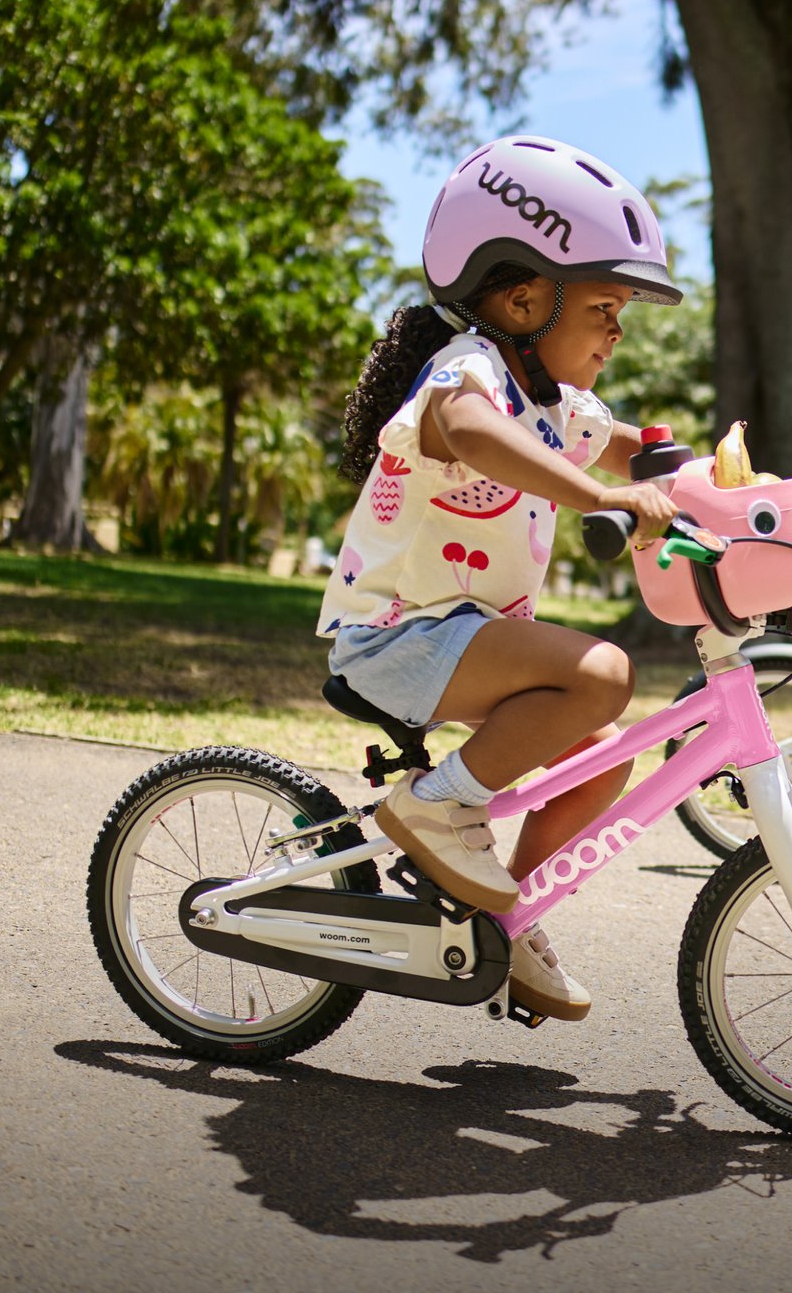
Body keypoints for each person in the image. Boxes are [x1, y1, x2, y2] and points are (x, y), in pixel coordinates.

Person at [318, 135, 683, 1023]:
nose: (618, 329)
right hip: (397, 638)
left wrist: (734, 488)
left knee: (604, 763)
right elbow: (473, 430)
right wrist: (601, 493)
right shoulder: (466, 376)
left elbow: (651, 449)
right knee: (601, 673)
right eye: (605, 305)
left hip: (462, 644)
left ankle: (498, 917)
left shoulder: (557, 406)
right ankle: (434, 808)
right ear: (524, 299)